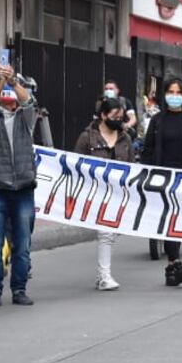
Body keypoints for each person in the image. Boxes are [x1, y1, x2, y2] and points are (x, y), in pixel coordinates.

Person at [0, 65, 39, 306]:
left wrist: (12, 80)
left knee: (22, 246)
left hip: (23, 191)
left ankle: (19, 290)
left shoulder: (26, 119)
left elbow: (29, 102)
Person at [140, 77, 182, 285]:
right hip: (163, 177)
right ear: (165, 95)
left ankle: (172, 267)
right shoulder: (157, 120)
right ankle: (174, 263)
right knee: (169, 219)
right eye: (171, 92)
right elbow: (147, 150)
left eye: (178, 93)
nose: (174, 96)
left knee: (180, 219)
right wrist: (147, 175)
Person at [75, 97, 133, 291]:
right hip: (96, 192)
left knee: (115, 229)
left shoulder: (125, 138)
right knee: (106, 232)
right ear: (103, 116)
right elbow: (76, 164)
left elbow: (131, 166)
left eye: (121, 116)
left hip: (118, 193)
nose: (118, 119)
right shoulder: (88, 137)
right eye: (114, 116)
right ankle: (104, 276)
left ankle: (103, 275)